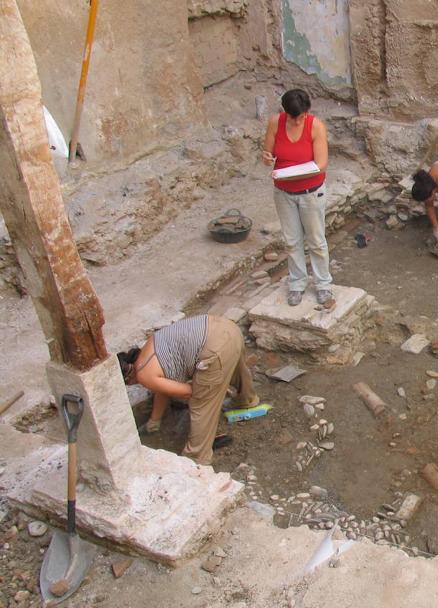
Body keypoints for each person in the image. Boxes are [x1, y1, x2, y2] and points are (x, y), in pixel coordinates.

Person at [117, 315, 259, 466]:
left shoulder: (143, 374)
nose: (134, 385)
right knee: (235, 368)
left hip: (214, 348)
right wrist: (154, 421)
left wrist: (211, 388)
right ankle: (247, 400)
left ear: (127, 377)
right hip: (228, 328)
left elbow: (190, 392)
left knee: (201, 402)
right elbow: (162, 389)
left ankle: (196, 457)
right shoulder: (147, 348)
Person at [261, 88, 335, 309]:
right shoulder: (276, 122)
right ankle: (297, 283)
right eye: (293, 118)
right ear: (286, 113)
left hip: (310, 192)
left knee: (316, 240)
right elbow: (268, 153)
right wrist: (266, 158)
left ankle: (323, 284)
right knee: (292, 240)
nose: (297, 121)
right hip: (283, 192)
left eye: (300, 117)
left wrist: (295, 172)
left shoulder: (315, 126)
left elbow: (321, 163)